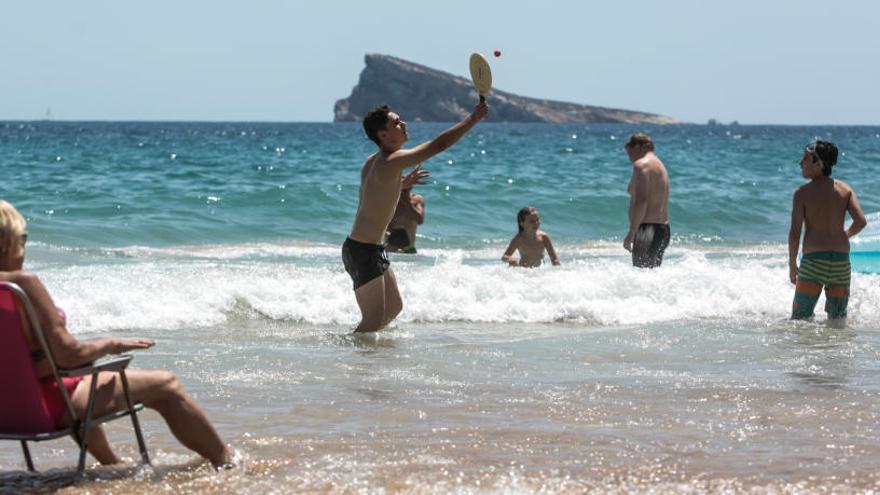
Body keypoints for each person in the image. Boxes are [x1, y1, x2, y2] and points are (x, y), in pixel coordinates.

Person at [0, 200, 230, 468]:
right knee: (166, 385)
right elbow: (68, 354)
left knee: (79, 379)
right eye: (23, 240)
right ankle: (227, 463)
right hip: (43, 408)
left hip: (5, 411)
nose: (24, 249)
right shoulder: (20, 284)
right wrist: (110, 344)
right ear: (6, 242)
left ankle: (113, 465)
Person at [343, 101, 488, 333]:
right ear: (383, 134)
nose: (403, 124)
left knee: (393, 308)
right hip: (362, 250)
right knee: (371, 321)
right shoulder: (392, 161)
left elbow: (374, 193)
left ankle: (367, 356)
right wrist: (473, 119)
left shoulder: (374, 162)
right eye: (397, 123)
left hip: (370, 247)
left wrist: (400, 184)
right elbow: (438, 145)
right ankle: (349, 355)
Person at [789, 140, 867, 322]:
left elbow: (794, 234)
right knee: (837, 320)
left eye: (806, 159)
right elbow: (861, 221)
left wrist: (792, 263)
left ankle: (804, 351)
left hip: (814, 262)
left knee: (799, 319)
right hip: (840, 263)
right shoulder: (845, 190)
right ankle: (834, 350)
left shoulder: (802, 193)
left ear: (819, 163)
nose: (801, 163)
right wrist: (844, 235)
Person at [623, 132, 671, 268]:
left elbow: (641, 199)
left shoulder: (641, 165)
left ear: (638, 147)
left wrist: (632, 231)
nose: (630, 158)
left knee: (641, 275)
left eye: (629, 153)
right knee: (651, 276)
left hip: (647, 230)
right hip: (663, 229)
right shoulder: (660, 165)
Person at [386, 185, 425, 254]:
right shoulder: (390, 199)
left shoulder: (417, 199)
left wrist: (406, 201)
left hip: (409, 248)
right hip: (390, 247)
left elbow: (420, 220)